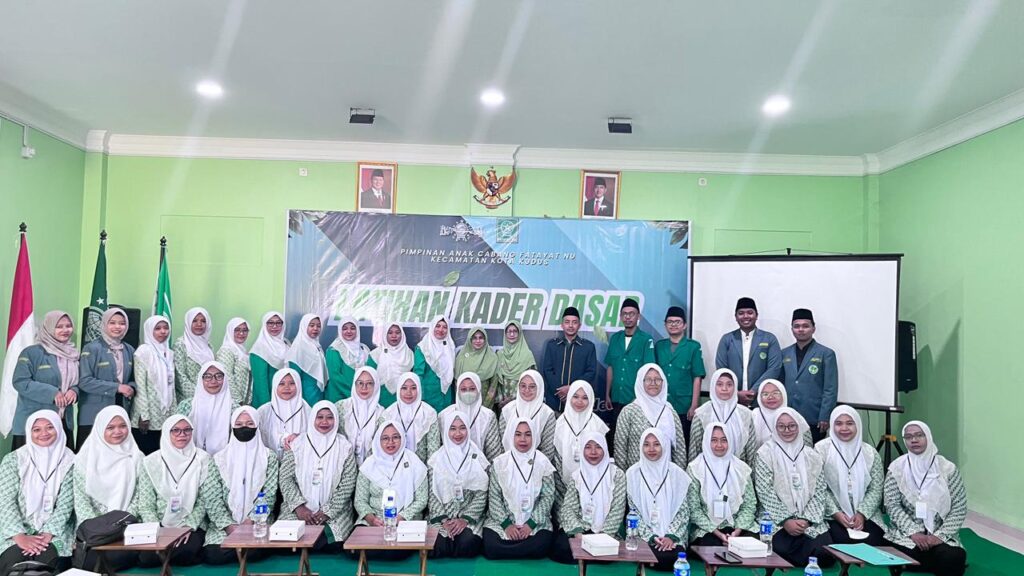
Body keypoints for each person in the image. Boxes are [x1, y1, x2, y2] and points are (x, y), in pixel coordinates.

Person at [136, 416, 233, 567]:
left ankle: (171, 556)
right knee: (146, 558)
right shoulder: (150, 462)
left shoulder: (203, 459)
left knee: (186, 551)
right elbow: (145, 504)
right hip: (161, 523)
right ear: (166, 432)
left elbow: (204, 500)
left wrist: (188, 526)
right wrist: (157, 529)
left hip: (190, 523)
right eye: (176, 430)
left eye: (187, 430)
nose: (182, 435)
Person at [753, 408, 835, 569]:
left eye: (792, 426)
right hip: (776, 520)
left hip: (808, 521)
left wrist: (806, 520)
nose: (787, 430)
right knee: (780, 549)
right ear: (774, 428)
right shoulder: (764, 453)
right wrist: (786, 520)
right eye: (781, 426)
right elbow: (765, 491)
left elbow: (820, 491)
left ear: (799, 426)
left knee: (825, 554)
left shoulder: (812, 456)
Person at [883, 421, 967, 576]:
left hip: (939, 532)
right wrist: (914, 533)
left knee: (953, 556)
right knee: (900, 550)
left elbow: (959, 507)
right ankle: (932, 564)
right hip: (907, 535)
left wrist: (938, 536)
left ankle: (921, 564)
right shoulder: (896, 468)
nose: (914, 440)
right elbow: (892, 505)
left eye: (919, 435)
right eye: (908, 437)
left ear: (928, 436)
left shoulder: (947, 468)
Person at [0, 411, 76, 576]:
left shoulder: (71, 461)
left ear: (58, 428)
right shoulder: (13, 460)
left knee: (48, 562)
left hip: (54, 531)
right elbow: (5, 501)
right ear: (29, 432)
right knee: (12, 560)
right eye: (36, 429)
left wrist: (47, 534)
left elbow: (66, 503)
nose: (44, 433)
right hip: (16, 529)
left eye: (50, 427)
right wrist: (19, 536)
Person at [72, 406, 144, 571]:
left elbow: (139, 497)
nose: (117, 431)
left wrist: (121, 523)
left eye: (123, 426)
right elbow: (81, 500)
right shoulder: (84, 460)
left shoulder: (137, 458)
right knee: (92, 562)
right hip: (94, 531)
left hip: (127, 526)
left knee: (119, 556)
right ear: (100, 428)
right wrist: (100, 529)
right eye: (110, 427)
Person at [279, 401, 358, 552]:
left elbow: (347, 484)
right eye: (320, 417)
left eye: (330, 417)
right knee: (285, 538)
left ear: (336, 420)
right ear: (312, 419)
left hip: (334, 511)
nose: (324, 422)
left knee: (332, 540)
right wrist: (300, 508)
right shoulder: (297, 444)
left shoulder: (344, 447)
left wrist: (327, 512)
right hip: (298, 510)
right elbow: (286, 479)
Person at [206, 406, 278, 564]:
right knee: (214, 554)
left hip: (258, 522)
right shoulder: (218, 459)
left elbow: (269, 494)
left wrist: (250, 521)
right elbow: (212, 498)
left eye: (249, 423)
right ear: (232, 427)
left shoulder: (269, 457)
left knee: (254, 550)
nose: (244, 428)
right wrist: (229, 526)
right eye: (238, 424)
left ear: (257, 426)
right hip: (226, 524)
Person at [482, 418, 556, 560]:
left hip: (534, 522)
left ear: (534, 436)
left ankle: (512, 549)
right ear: (511, 435)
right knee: (491, 546)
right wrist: (507, 525)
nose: (523, 439)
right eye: (518, 434)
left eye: (528, 434)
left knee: (542, 544)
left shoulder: (543, 462)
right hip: (504, 520)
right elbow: (494, 497)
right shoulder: (501, 463)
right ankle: (521, 548)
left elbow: (547, 496)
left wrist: (530, 524)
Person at [355, 422, 429, 560]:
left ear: (402, 438)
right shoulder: (369, 464)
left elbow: (422, 499)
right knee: (356, 547)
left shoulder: (414, 462)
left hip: (404, 520)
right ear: (378, 440)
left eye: (396, 437)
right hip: (375, 520)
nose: (391, 442)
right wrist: (372, 519)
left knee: (394, 550)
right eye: (385, 438)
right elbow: (360, 500)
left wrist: (400, 518)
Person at [550, 432, 626, 564]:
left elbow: (617, 510)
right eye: (588, 447)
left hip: (604, 532)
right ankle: (590, 555)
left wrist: (601, 537)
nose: (593, 452)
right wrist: (578, 532)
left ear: (605, 448)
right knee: (560, 548)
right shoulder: (577, 475)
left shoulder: (617, 475)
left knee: (606, 550)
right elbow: (568, 508)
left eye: (598, 447)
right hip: (581, 528)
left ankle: (586, 555)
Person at [625, 427, 694, 571]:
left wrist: (670, 536)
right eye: (646, 444)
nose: (651, 449)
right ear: (640, 447)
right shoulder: (632, 474)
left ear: (664, 445)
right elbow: (633, 512)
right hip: (644, 536)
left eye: (656, 444)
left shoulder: (677, 474)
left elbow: (683, 512)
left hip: (672, 537)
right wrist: (651, 537)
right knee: (653, 555)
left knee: (671, 557)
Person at [815, 406, 885, 546]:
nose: (844, 428)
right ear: (832, 425)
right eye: (838, 423)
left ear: (857, 425)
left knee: (875, 539)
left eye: (850, 423)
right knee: (839, 539)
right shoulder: (821, 450)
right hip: (831, 514)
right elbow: (818, 487)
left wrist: (861, 514)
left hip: (866, 514)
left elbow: (876, 489)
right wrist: (836, 513)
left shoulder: (870, 453)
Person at [12, 311, 79, 450]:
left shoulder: (73, 354)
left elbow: (79, 381)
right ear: (48, 328)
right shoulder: (32, 352)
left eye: (68, 326)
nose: (65, 330)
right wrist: (53, 393)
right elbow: (20, 382)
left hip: (62, 421)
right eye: (59, 326)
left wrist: (75, 390)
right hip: (35, 424)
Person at [427, 410, 489, 558]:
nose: (458, 433)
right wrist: (444, 520)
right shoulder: (436, 459)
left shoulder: (478, 458)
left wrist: (464, 519)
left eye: (462, 428)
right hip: (442, 515)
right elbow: (432, 494)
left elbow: (482, 494)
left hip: (468, 516)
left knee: (467, 543)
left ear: (468, 429)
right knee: (437, 545)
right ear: (446, 431)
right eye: (452, 428)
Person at [687, 422, 758, 547]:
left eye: (724, 440)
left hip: (738, 525)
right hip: (707, 529)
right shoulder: (695, 469)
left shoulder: (741, 469)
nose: (719, 445)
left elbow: (749, 504)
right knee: (711, 547)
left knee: (751, 544)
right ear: (706, 441)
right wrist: (719, 534)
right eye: (714, 440)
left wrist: (737, 532)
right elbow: (694, 509)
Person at [78, 308, 135, 450]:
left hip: (120, 408)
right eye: (112, 323)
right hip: (93, 412)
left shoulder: (129, 349)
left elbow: (133, 378)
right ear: (104, 324)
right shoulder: (92, 348)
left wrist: (132, 388)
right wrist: (117, 388)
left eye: (122, 323)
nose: (117, 327)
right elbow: (84, 381)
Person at [613, 364, 687, 471]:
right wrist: (625, 475)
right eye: (648, 379)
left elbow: (679, 449)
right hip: (637, 474)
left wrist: (678, 474)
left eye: (658, 379)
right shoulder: (629, 411)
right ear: (640, 382)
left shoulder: (669, 411)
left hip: (665, 474)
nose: (653, 383)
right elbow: (620, 447)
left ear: (663, 382)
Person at [782, 309, 839, 443]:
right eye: (797, 326)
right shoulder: (784, 353)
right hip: (789, 416)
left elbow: (830, 388)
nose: (801, 330)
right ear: (792, 329)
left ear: (813, 328)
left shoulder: (826, 353)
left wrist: (825, 415)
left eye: (805, 326)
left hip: (814, 416)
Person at [552, 381, 609, 507]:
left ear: (591, 399)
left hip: (592, 488)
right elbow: (556, 459)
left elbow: (601, 460)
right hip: (562, 489)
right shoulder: (560, 423)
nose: (579, 401)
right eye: (575, 396)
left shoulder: (597, 425)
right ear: (569, 397)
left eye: (585, 398)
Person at [715, 297, 781, 406]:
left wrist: (754, 391)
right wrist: (736, 393)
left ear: (756, 315)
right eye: (741, 313)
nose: (745, 316)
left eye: (750, 313)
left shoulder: (769, 338)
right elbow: (722, 369)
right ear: (736, 317)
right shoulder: (727, 339)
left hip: (762, 400)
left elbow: (774, 369)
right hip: (732, 401)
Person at [653, 305, 705, 445]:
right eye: (670, 322)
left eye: (677, 322)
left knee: (683, 443)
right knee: (662, 443)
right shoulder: (659, 346)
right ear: (665, 325)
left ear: (685, 325)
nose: (673, 325)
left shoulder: (693, 347)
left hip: (684, 405)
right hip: (663, 404)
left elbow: (697, 377)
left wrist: (694, 405)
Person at [690, 368, 757, 465]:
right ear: (713, 386)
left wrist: (749, 472)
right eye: (719, 384)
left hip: (738, 468)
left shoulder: (745, 414)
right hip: (708, 468)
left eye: (729, 385)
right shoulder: (702, 414)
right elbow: (694, 449)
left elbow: (751, 449)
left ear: (735, 387)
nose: (724, 388)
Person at [130, 315, 176, 454]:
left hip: (166, 414)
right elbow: (140, 386)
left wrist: (174, 413)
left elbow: (171, 386)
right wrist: (144, 415)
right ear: (150, 330)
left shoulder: (169, 353)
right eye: (158, 328)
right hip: (148, 415)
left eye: (166, 328)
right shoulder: (143, 352)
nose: (163, 331)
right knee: (146, 454)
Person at [604, 298, 655, 421]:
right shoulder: (615, 338)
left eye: (631, 314)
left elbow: (649, 372)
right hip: (616, 397)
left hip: (636, 399)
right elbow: (610, 368)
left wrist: (643, 397)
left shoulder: (646, 339)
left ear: (638, 316)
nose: (628, 317)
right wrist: (607, 394)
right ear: (620, 316)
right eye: (625, 314)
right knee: (615, 432)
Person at [540, 307, 597, 411]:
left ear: (579, 325)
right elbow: (547, 370)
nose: (570, 325)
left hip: (578, 401)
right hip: (554, 400)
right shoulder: (552, 345)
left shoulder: (588, 347)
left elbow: (591, 372)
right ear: (562, 325)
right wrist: (560, 392)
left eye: (574, 322)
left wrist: (572, 389)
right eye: (567, 322)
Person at [436, 372, 502, 460]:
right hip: (449, 466)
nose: (468, 392)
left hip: (480, 465)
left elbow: (494, 452)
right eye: (463, 389)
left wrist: (485, 467)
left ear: (478, 390)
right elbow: (440, 449)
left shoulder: (488, 416)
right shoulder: (444, 415)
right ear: (457, 391)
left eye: (472, 389)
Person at [175, 361, 237, 455]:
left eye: (219, 376)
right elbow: (175, 434)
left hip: (224, 458)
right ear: (201, 379)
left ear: (225, 379)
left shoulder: (234, 408)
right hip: (190, 457)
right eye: (208, 376)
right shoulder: (186, 406)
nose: (213, 381)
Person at [498, 370, 557, 463]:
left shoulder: (547, 414)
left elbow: (548, 449)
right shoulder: (507, 410)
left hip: (536, 465)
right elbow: (501, 444)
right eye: (523, 386)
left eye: (532, 387)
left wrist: (531, 466)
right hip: (508, 463)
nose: (527, 390)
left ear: (539, 387)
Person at [379, 373, 438, 463]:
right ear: (399, 389)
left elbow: (433, 451)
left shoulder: (429, 414)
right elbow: (382, 450)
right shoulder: (388, 415)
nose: (408, 392)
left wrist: (426, 471)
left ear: (419, 389)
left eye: (413, 388)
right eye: (404, 388)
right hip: (393, 466)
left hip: (421, 467)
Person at [337, 366, 384, 465]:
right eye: (360, 383)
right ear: (354, 384)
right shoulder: (341, 407)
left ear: (376, 385)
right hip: (343, 465)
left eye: (369, 383)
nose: (364, 387)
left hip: (371, 467)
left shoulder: (382, 414)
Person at [257, 368, 310, 456]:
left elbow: (314, 436)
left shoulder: (307, 411)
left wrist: (299, 438)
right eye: (281, 384)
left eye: (292, 383)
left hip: (299, 459)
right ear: (275, 386)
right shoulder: (264, 411)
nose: (287, 387)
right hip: (269, 460)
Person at [751, 379, 811, 449]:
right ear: (759, 397)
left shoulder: (793, 415)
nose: (770, 397)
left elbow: (807, 446)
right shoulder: (755, 415)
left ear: (783, 394)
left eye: (775, 393)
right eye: (765, 394)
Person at [413, 315, 456, 411]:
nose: (441, 330)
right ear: (432, 327)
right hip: (428, 396)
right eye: (438, 326)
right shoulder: (422, 348)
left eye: (444, 327)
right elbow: (418, 374)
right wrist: (420, 397)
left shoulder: (450, 347)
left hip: (446, 395)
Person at [366, 322, 413, 408]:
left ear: (402, 335)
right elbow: (368, 380)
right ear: (385, 334)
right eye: (390, 333)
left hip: (405, 399)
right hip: (380, 399)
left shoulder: (409, 354)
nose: (394, 336)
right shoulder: (375, 354)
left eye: (397, 332)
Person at [286, 314, 328, 406]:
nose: (315, 328)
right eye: (311, 325)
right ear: (304, 326)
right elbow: (294, 377)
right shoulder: (297, 348)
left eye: (318, 326)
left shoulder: (317, 346)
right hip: (304, 394)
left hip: (318, 392)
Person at [326, 316, 370, 403]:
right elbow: (335, 377)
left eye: (352, 328)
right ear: (340, 330)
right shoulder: (334, 349)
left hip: (361, 396)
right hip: (339, 396)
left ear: (357, 330)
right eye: (345, 328)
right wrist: (353, 393)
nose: (349, 331)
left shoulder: (364, 349)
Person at [249, 312, 289, 408]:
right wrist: (267, 406)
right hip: (267, 400)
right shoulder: (259, 349)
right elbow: (260, 382)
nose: (274, 326)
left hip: (284, 398)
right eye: (270, 323)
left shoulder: (286, 345)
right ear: (264, 324)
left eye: (278, 323)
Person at [494, 321, 536, 410]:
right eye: (509, 331)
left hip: (522, 400)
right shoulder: (500, 355)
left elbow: (532, 381)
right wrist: (501, 400)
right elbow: (497, 380)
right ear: (505, 334)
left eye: (515, 331)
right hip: (502, 403)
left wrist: (512, 399)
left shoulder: (527, 355)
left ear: (519, 333)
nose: (512, 334)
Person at [174, 307, 215, 400]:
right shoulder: (180, 345)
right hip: (188, 399)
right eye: (194, 321)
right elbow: (180, 378)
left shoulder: (209, 346)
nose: (199, 324)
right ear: (188, 322)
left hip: (210, 397)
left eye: (203, 321)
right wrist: (201, 396)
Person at [454, 326, 499, 409]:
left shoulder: (492, 358)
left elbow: (493, 386)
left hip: (485, 405)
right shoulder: (461, 357)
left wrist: (484, 408)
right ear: (470, 339)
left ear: (485, 339)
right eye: (474, 338)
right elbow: (457, 384)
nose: (478, 341)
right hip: (463, 405)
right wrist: (461, 405)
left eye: (481, 338)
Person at [216, 317, 251, 404]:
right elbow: (226, 377)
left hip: (243, 402)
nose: (241, 333)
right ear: (230, 331)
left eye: (245, 330)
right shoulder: (226, 351)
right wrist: (238, 401)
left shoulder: (243, 352)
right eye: (237, 330)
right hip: (230, 401)